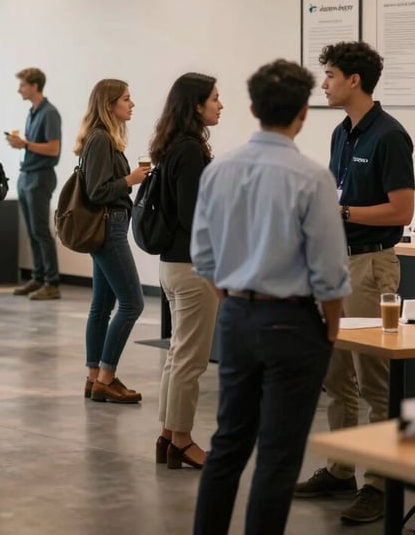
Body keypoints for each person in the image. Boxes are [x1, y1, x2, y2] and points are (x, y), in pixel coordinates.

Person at [190, 59, 350, 535]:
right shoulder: (311, 176)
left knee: (227, 445)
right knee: (279, 456)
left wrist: (237, 300)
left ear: (255, 107)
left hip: (237, 316)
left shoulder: (220, 170)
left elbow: (203, 254)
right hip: (294, 323)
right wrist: (332, 331)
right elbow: (329, 270)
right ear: (304, 111)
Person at [294, 41, 415, 524]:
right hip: (334, 264)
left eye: (328, 75)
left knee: (375, 380)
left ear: (354, 81)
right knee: (336, 373)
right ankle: (341, 468)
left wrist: (339, 210)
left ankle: (382, 483)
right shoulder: (342, 134)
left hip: (371, 266)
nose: (323, 84)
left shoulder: (390, 136)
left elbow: (403, 210)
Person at [149, 73, 222, 469]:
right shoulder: (190, 150)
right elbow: (194, 214)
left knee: (179, 355)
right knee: (191, 360)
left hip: (172, 266)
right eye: (214, 98)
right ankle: (181, 440)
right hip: (192, 268)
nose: (220, 104)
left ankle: (166, 436)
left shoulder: (171, 145)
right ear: (196, 105)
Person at [74, 79, 147, 404]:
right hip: (110, 227)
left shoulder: (101, 138)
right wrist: (130, 180)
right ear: (109, 105)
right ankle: (106, 376)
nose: (132, 104)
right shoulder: (102, 139)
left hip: (108, 226)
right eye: (126, 99)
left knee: (102, 305)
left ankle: (94, 378)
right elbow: (98, 190)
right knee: (133, 302)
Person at [7, 67, 62, 300]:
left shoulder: (49, 113)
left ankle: (52, 282)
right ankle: (39, 278)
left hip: (40, 176)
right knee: (31, 231)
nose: (19, 89)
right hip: (27, 175)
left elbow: (53, 148)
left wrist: (25, 144)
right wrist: (23, 144)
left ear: (34, 86)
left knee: (41, 231)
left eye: (22, 85)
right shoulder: (33, 111)